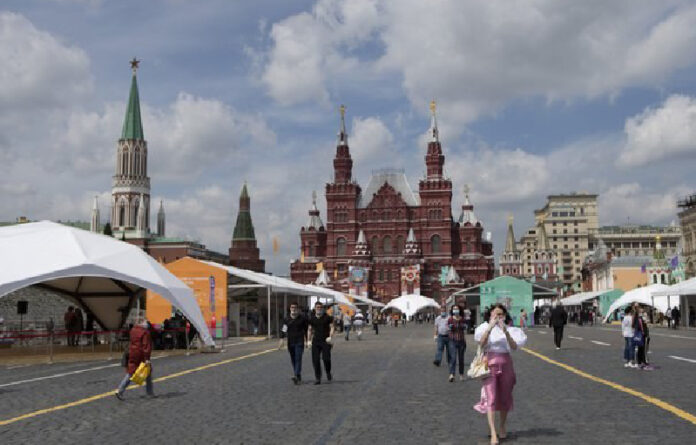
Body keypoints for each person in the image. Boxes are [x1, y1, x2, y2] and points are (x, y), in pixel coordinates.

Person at [474, 304, 527, 444]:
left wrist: (506, 332)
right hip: (489, 363)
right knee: (490, 397)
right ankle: (493, 432)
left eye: (500, 314)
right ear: (490, 315)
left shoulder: (511, 329)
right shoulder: (483, 328)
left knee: (505, 396)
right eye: (494, 314)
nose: (497, 317)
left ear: (505, 316)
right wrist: (490, 328)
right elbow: (481, 343)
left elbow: (515, 347)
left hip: (506, 363)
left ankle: (502, 425)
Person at [115, 317, 155, 400]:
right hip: (141, 354)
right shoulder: (145, 332)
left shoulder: (133, 330)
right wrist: (147, 358)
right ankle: (150, 392)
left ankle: (120, 390)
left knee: (131, 372)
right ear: (141, 323)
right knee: (148, 371)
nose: (146, 323)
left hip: (132, 352)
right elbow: (146, 346)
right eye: (145, 321)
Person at [279, 302, 308, 384]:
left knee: (298, 358)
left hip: (299, 341)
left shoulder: (302, 319)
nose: (293, 308)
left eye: (295, 307)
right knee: (293, 359)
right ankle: (298, 374)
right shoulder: (286, 319)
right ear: (290, 308)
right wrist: (281, 339)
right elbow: (284, 329)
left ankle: (296, 375)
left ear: (298, 309)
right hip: (290, 342)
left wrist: (308, 340)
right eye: (292, 307)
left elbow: (306, 330)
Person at [307, 301, 334, 385]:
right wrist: (308, 340)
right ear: (315, 309)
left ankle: (328, 372)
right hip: (316, 341)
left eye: (320, 307)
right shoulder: (311, 318)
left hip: (325, 341)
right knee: (315, 360)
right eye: (317, 307)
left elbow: (332, 327)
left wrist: (330, 336)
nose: (319, 309)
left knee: (326, 358)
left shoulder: (327, 317)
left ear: (323, 308)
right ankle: (318, 378)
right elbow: (310, 329)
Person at [447, 304, 467, 382]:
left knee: (461, 359)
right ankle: (452, 374)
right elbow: (448, 327)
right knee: (453, 358)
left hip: (461, 341)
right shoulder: (450, 319)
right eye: (454, 309)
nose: (455, 310)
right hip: (452, 340)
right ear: (452, 310)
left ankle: (461, 374)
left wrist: (464, 326)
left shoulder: (462, 319)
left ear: (459, 310)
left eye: (457, 309)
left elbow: (465, 327)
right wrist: (450, 327)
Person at [633, 305, 650, 370]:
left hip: (640, 334)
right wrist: (645, 321)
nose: (642, 310)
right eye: (641, 308)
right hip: (643, 334)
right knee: (643, 349)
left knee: (641, 348)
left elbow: (634, 325)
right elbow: (643, 325)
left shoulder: (638, 317)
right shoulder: (640, 317)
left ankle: (640, 361)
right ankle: (644, 361)